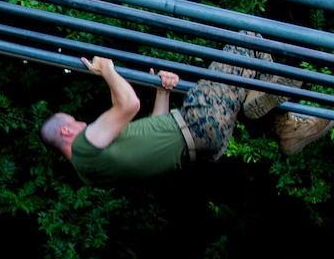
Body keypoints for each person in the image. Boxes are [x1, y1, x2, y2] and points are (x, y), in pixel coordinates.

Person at [39, 46, 333, 187]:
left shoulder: (90, 171)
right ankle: (281, 119)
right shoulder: (83, 148)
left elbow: (151, 129)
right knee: (247, 43)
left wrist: (163, 91)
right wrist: (108, 70)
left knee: (246, 80)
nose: (82, 122)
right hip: (197, 121)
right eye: (75, 121)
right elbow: (128, 105)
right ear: (66, 132)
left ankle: (279, 119)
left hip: (204, 141)